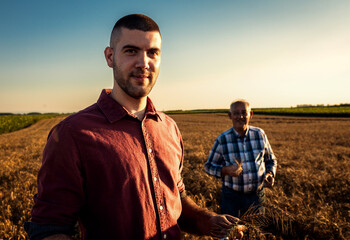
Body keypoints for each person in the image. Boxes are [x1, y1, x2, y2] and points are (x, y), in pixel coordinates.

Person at [24, 14, 245, 240]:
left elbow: (174, 198)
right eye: (131, 51)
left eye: (152, 53)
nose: (143, 63)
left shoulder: (169, 128)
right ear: (110, 57)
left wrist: (206, 220)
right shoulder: (73, 134)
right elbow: (48, 229)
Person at [204, 99, 277, 218]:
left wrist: (270, 174)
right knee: (230, 231)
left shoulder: (260, 135)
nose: (240, 116)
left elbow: (271, 159)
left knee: (255, 231)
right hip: (231, 197)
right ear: (230, 116)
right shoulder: (222, 140)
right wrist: (226, 170)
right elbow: (208, 166)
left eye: (244, 112)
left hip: (256, 196)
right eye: (236, 113)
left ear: (251, 114)